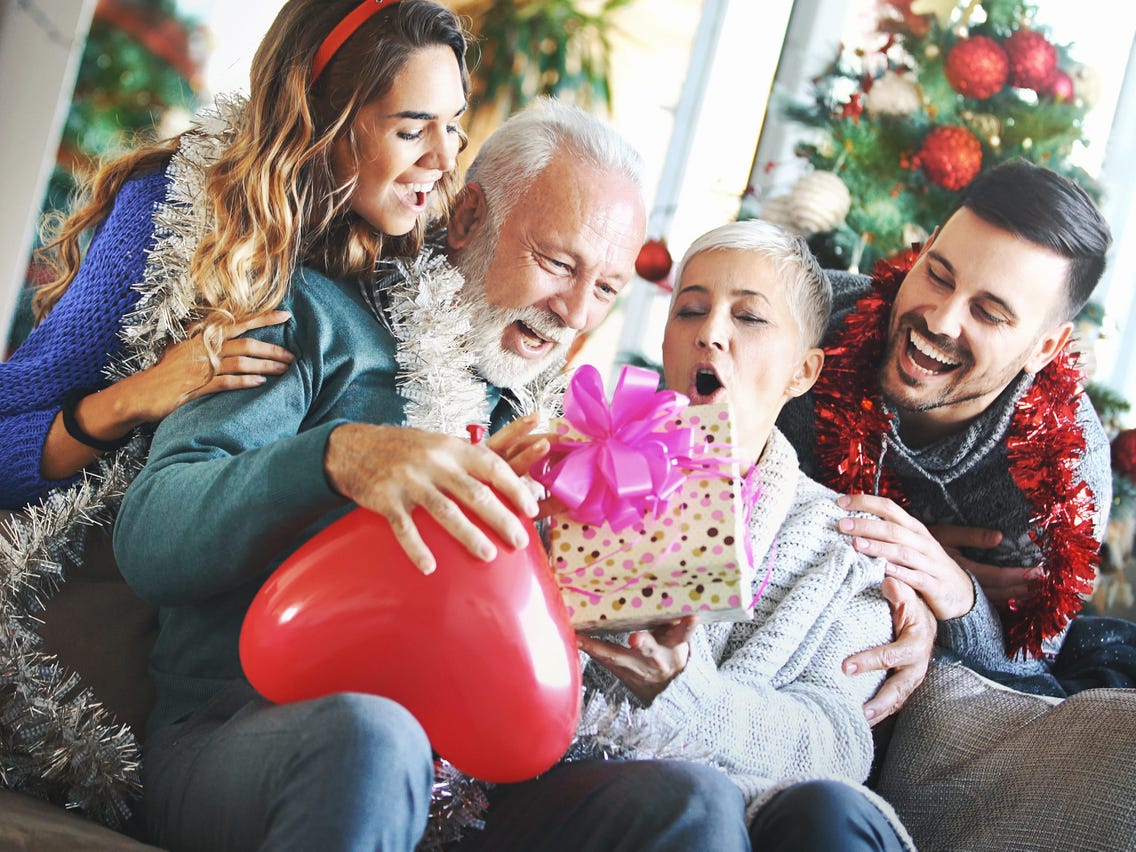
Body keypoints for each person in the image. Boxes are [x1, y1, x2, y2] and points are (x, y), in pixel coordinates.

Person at [112, 93, 768, 851]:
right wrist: (334, 458)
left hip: (467, 782)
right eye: (558, 263)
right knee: (374, 738)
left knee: (692, 801)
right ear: (466, 219)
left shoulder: (562, 432)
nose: (576, 312)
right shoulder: (312, 317)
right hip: (248, 728)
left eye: (608, 288)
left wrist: (638, 650)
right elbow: (150, 539)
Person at [0, 0, 481, 827]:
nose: (446, 159)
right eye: (413, 130)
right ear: (328, 121)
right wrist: (142, 393)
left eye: (456, 126)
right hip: (98, 650)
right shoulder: (170, 214)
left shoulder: (404, 273)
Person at [482, 219, 909, 851]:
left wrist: (687, 694)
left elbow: (837, 743)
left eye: (750, 318)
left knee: (801, 814)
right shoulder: (573, 471)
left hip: (758, 817)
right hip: (562, 791)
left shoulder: (842, 545)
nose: (711, 333)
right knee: (696, 801)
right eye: (691, 310)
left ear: (803, 371)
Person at [778, 157, 1136, 697]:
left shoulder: (1065, 469)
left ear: (1044, 348)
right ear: (921, 251)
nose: (941, 320)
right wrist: (884, 553)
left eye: (990, 313)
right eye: (938, 275)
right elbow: (685, 474)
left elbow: (1031, 660)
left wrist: (956, 592)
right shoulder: (809, 319)